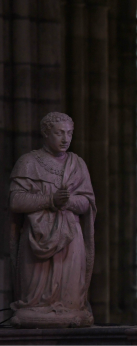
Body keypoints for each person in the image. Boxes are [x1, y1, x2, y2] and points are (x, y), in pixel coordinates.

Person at [9, 112, 96, 328]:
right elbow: (16, 201)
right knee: (33, 300)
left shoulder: (77, 164)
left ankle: (70, 307)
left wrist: (67, 203)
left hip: (70, 236)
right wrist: (50, 199)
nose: (65, 139)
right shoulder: (28, 162)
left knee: (71, 299)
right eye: (59, 133)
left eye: (69, 133)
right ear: (46, 134)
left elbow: (87, 202)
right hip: (37, 236)